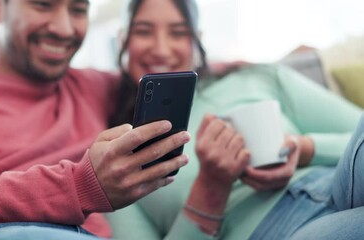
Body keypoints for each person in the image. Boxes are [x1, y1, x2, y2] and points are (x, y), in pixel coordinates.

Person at [105, 0, 363, 239]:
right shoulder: (118, 157)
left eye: (178, 32)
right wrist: (210, 190)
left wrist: (304, 149)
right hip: (282, 228)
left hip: (337, 179)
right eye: (143, 31)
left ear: (197, 41)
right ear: (122, 40)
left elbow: (357, 132)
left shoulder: (255, 78)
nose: (161, 49)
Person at [0, 0, 192, 239]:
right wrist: (79, 186)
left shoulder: (94, 87)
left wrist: (223, 67)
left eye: (78, 10)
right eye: (43, 5)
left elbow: (158, 64)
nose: (63, 28)